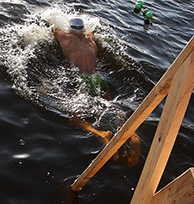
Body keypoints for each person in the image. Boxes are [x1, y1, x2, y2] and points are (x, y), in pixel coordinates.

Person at [55, 17, 141, 166]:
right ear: (83, 31)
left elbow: (52, 27)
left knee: (74, 118)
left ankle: (100, 134)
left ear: (70, 30)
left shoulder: (66, 37)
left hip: (81, 79)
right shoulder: (91, 39)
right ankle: (133, 136)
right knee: (110, 107)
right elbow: (92, 29)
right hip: (99, 79)